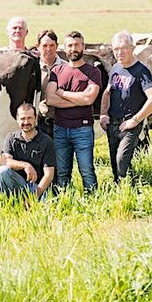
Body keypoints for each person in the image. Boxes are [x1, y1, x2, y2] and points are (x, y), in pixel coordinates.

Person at [100, 31, 152, 182]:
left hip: (129, 125)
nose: (119, 52)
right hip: (112, 123)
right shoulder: (115, 68)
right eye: (116, 49)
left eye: (123, 48)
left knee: (121, 160)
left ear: (132, 48)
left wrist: (135, 120)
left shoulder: (141, 71)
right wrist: (103, 114)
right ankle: (121, 192)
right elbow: (107, 93)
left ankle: (129, 190)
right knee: (115, 162)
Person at [45, 31, 101, 192]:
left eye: (77, 45)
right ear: (65, 48)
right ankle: (65, 201)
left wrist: (62, 93)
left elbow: (89, 99)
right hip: (60, 129)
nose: (73, 48)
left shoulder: (92, 72)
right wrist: (79, 100)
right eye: (70, 45)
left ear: (83, 46)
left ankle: (92, 201)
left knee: (87, 171)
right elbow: (50, 99)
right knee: (62, 172)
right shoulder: (57, 71)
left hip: (83, 129)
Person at [0, 103, 55, 200]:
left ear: (36, 118)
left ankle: (28, 201)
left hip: (37, 187)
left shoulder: (47, 141)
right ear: (17, 120)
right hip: (15, 184)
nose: (26, 122)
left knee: (46, 205)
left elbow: (49, 175)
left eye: (30, 118)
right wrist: (25, 165)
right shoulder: (11, 138)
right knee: (2, 171)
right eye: (22, 119)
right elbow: (5, 161)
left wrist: (34, 197)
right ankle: (9, 202)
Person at [36, 29, 66, 139]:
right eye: (44, 46)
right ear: (37, 46)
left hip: (61, 122)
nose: (49, 49)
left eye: (52, 45)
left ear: (57, 46)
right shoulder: (32, 69)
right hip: (38, 122)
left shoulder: (67, 68)